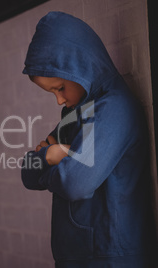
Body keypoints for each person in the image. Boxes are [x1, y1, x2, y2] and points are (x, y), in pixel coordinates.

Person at [21, 11, 157, 267]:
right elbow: (27, 173)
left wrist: (56, 157)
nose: (59, 100)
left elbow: (76, 184)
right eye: (53, 93)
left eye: (60, 88)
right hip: (77, 255)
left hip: (112, 256)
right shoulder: (76, 113)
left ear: (81, 65)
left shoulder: (114, 109)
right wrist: (50, 156)